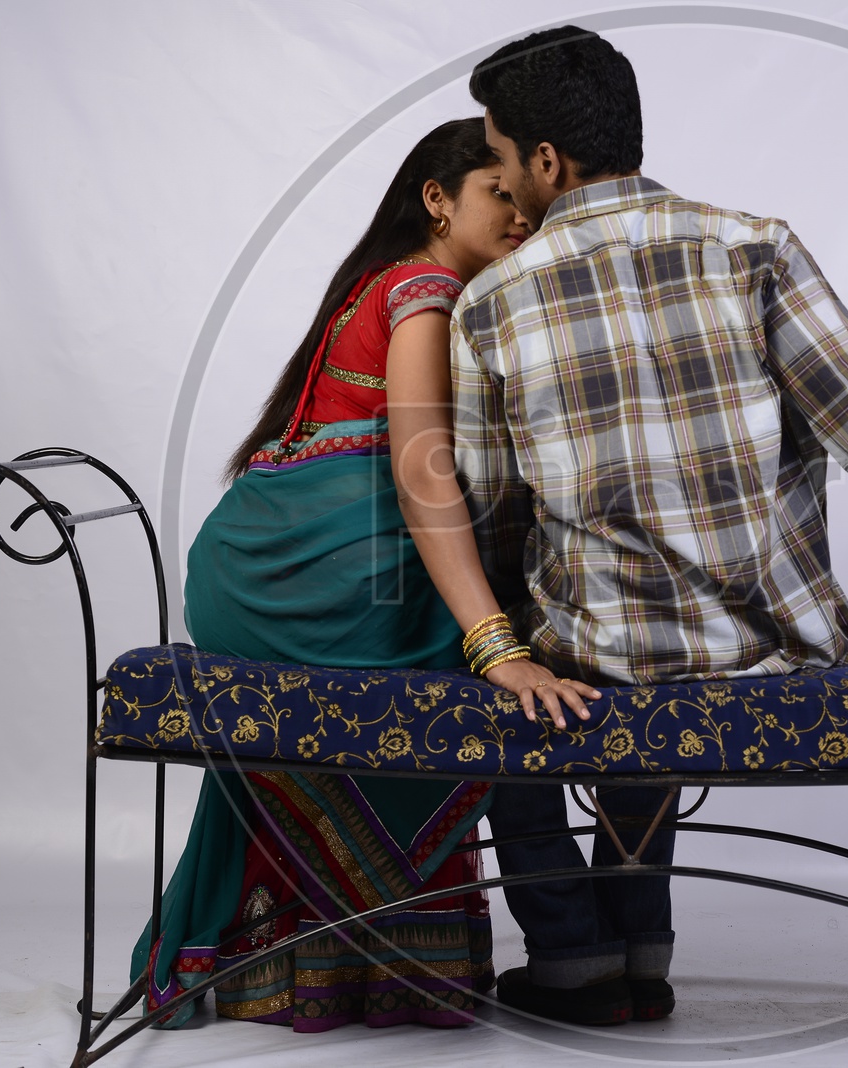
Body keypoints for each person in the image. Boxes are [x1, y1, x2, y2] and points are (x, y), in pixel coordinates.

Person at [445, 27, 848, 1025]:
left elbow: (489, 510)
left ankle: (575, 957)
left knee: (540, 650)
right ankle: (641, 944)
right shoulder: (754, 245)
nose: (503, 186)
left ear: (547, 162)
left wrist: (501, 637)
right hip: (768, 659)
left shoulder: (490, 304)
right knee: (662, 613)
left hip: (604, 657)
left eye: (500, 161)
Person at [131, 118, 596, 1032]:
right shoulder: (423, 294)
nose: (520, 213)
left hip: (262, 565)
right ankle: (549, 941)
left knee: (495, 637)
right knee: (509, 662)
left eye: (523, 194)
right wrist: (496, 645)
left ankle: (314, 964)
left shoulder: (383, 287)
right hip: (313, 578)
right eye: (497, 192)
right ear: (437, 199)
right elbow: (424, 478)